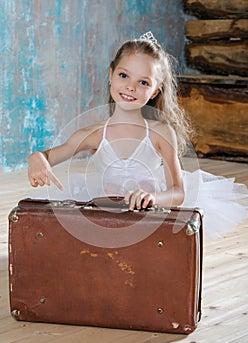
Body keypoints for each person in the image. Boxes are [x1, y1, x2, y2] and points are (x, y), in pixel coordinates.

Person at [27, 32, 247, 237]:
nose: (130, 87)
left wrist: (153, 198)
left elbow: (178, 192)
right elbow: (49, 156)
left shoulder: (161, 132)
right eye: (124, 75)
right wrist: (37, 158)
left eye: (143, 82)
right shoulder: (93, 134)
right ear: (111, 75)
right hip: (107, 213)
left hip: (151, 216)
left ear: (155, 91)